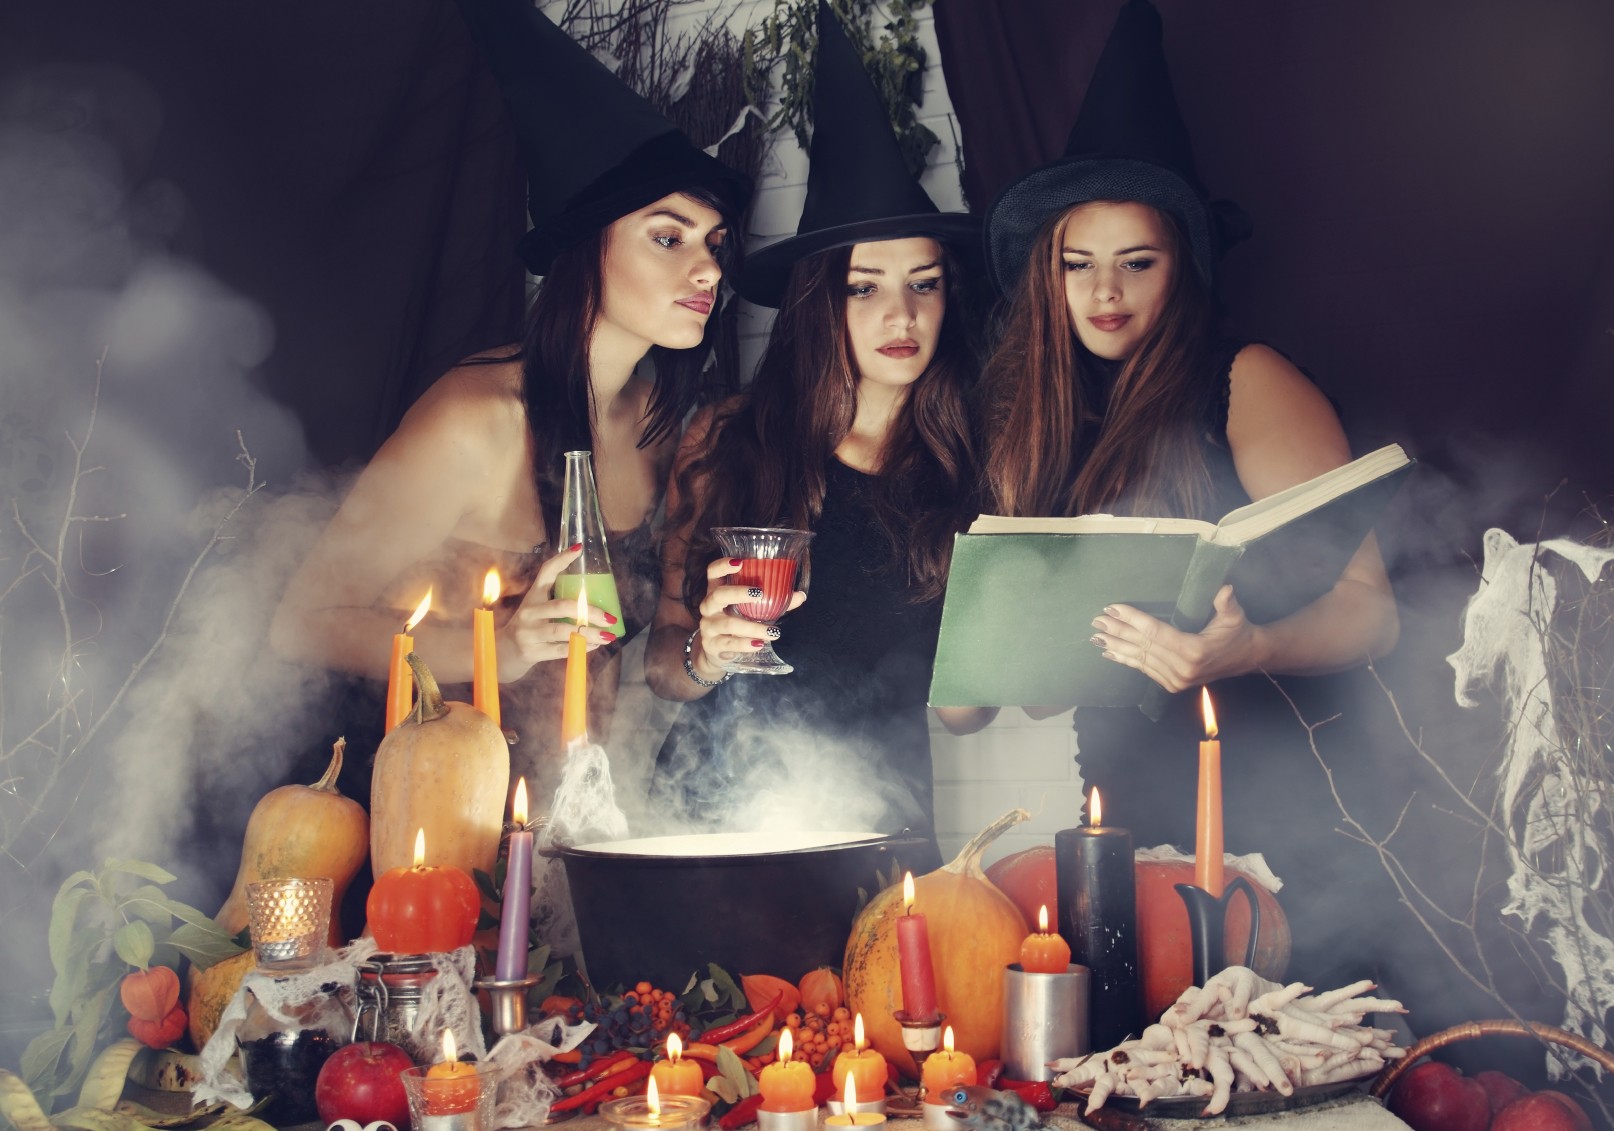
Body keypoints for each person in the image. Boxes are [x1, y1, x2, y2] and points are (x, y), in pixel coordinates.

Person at [978, 0, 1398, 978]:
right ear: (1048, 276)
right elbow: (1030, 687)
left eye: (1138, 263)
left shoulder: (1248, 380)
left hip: (1283, 824)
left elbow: (1374, 614)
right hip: (1123, 829)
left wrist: (1251, 648)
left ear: (1185, 267)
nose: (1105, 293)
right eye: (1078, 265)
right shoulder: (1041, 422)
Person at [270, 0, 749, 776]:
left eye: (715, 245)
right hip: (418, 801)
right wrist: (502, 644)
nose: (707, 269)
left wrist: (710, 642)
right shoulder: (478, 420)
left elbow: (641, 654)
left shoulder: (657, 424)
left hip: (565, 812)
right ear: (586, 249)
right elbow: (303, 621)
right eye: (669, 237)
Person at [643, 4, 991, 861]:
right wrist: (706, 652)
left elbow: (966, 713)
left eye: (924, 283)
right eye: (864, 287)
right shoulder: (729, 436)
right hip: (711, 818)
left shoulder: (973, 463)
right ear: (818, 302)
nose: (901, 314)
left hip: (878, 822)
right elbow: (663, 667)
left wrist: (990, 625)